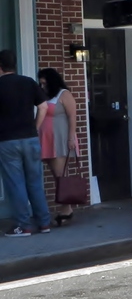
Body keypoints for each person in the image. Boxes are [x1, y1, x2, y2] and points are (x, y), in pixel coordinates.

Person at [0, 50, 50, 237]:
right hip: (30, 138)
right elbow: (43, 107)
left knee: (16, 184)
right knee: (35, 182)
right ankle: (44, 223)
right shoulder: (28, 82)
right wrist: (35, 128)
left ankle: (23, 225)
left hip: (7, 141)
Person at [38, 68, 79, 226]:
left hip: (60, 138)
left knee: (60, 174)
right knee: (56, 175)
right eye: (40, 83)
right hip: (46, 139)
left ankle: (66, 208)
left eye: (44, 83)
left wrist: (71, 138)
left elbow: (72, 116)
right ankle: (65, 207)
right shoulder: (45, 96)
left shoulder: (64, 94)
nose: (42, 87)